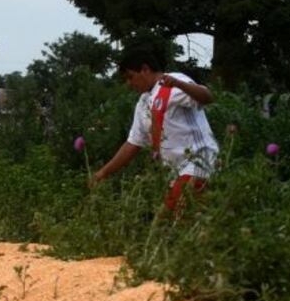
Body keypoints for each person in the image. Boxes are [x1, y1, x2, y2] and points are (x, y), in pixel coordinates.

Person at [91, 44, 219, 212]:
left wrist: (181, 85)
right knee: (180, 225)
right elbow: (133, 144)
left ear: (145, 69)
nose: (129, 84)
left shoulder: (172, 82)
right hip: (174, 173)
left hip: (198, 164)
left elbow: (207, 97)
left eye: (131, 77)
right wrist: (103, 173)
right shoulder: (144, 102)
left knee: (174, 221)